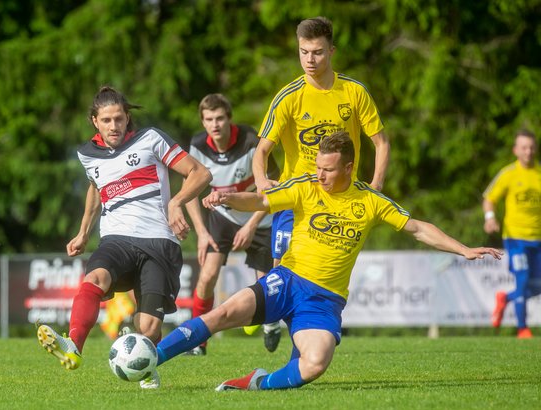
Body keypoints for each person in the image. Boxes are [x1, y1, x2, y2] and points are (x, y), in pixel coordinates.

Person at [153, 131, 502, 391]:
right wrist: (227, 199)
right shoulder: (305, 185)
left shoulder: (370, 201)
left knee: (315, 363)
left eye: (329, 169)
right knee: (220, 314)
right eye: (318, 166)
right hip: (287, 280)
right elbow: (260, 201)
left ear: (349, 167)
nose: (320, 174)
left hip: (323, 300)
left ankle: (257, 383)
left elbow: (416, 228)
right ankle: (152, 359)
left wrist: (464, 250)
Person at [36, 86, 211, 389]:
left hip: (159, 242)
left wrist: (176, 202)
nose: (114, 126)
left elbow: (200, 173)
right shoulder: (87, 155)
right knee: (94, 279)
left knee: (149, 327)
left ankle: (145, 367)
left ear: (127, 117)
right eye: (106, 120)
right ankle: (74, 345)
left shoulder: (151, 139)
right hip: (116, 238)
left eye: (119, 119)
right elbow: (95, 188)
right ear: (95, 121)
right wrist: (83, 232)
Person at [252, 17, 391, 346]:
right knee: (281, 266)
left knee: (320, 274)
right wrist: (261, 180)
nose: (310, 60)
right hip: (298, 196)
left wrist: (376, 184)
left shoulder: (353, 92)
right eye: (303, 53)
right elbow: (261, 151)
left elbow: (381, 142)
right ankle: (271, 317)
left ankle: (302, 335)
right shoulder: (289, 97)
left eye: (317, 53)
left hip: (341, 199)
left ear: (331, 50)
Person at [183, 94, 280, 355]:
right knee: (207, 275)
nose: (215, 125)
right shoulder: (198, 146)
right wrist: (201, 232)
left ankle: (271, 323)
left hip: (259, 216)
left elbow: (275, 191)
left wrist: (250, 226)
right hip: (223, 216)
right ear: (203, 122)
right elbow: (189, 190)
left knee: (268, 284)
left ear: (229, 119)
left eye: (220, 118)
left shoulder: (251, 141)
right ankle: (198, 340)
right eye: (209, 119)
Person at [483, 129, 541, 339]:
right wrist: (490, 217)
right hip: (515, 238)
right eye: (524, 147)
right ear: (516, 150)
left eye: (532, 147)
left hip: (538, 240)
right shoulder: (508, 174)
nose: (528, 151)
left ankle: (505, 298)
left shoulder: (539, 174)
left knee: (537, 287)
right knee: (523, 279)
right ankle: (522, 329)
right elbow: (489, 198)